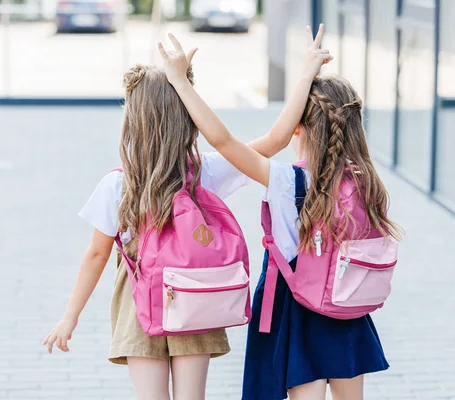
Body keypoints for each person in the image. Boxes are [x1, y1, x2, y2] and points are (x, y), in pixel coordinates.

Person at [158, 25, 403, 400]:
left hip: (298, 306)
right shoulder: (365, 179)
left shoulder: (288, 181)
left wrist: (180, 81)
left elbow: (223, 141)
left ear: (298, 128)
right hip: (348, 305)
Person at [42, 61, 299, 399]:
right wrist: (305, 73)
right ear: (186, 119)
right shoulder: (206, 172)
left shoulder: (118, 185)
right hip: (195, 297)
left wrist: (69, 317)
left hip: (139, 304)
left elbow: (96, 255)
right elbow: (273, 141)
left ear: (135, 121)